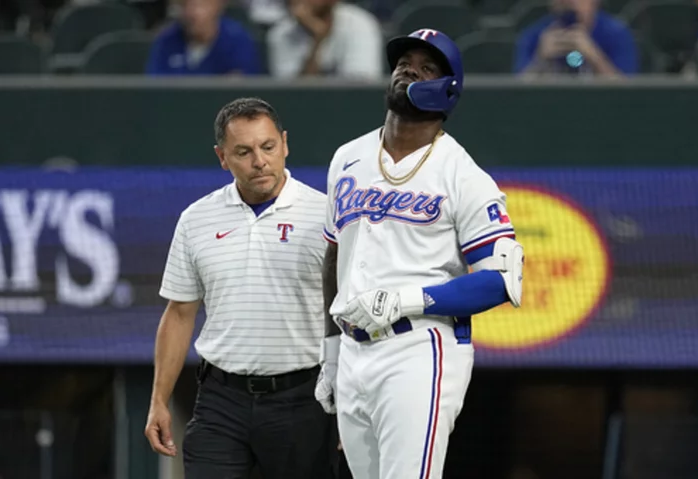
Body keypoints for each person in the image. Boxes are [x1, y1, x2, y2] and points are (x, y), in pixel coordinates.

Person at [315, 28, 525, 479]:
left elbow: (502, 280)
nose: (408, 69)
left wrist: (407, 299)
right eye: (403, 61)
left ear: (446, 89)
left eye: (426, 66)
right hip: (352, 351)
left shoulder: (464, 175)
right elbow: (334, 255)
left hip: (418, 348)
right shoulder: (347, 157)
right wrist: (331, 351)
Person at [144, 97, 335, 478]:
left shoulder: (327, 216)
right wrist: (158, 401)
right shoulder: (196, 219)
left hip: (304, 399)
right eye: (244, 152)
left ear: (284, 143)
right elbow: (180, 313)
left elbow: (346, 313)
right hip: (220, 400)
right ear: (222, 157)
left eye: (267, 147)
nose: (259, 161)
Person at [514, 0, 637, 76]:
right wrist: (539, 61)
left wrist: (594, 57)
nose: (569, 2)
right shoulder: (533, 36)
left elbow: (627, 95)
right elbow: (515, 96)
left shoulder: (616, 34)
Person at [266, 0, 382, 79]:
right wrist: (318, 40)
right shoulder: (281, 34)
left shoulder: (360, 23)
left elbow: (361, 89)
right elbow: (294, 97)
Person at [146, 0, 261, 76]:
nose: (192, 13)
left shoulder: (237, 39)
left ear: (217, 7)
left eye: (200, 6)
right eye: (185, 6)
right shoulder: (167, 40)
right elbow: (155, 87)